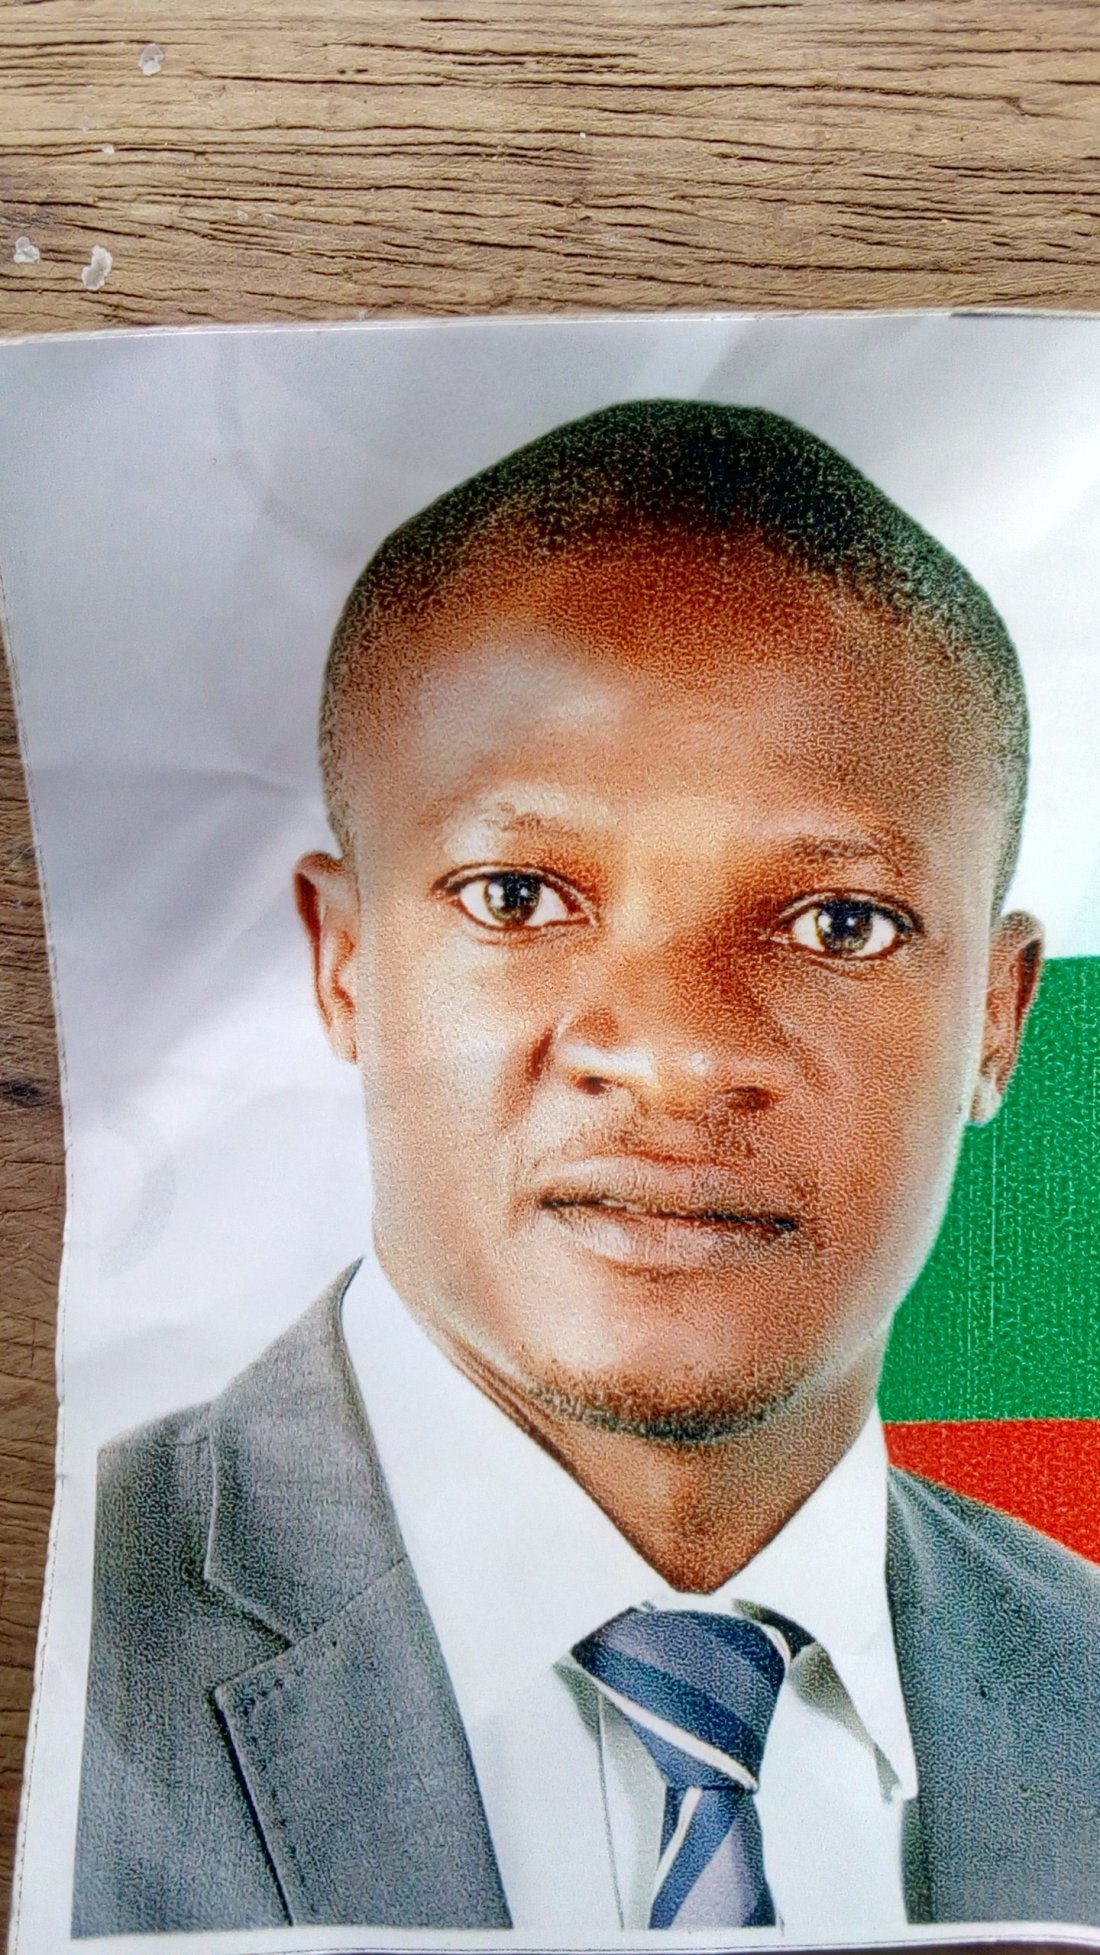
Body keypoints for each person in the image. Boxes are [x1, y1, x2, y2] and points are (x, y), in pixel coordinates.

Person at [72, 401, 1100, 1940]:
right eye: (517, 895)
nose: (675, 1054)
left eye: (842, 924)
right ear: (345, 964)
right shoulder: (60, 1631)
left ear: (999, 1024)